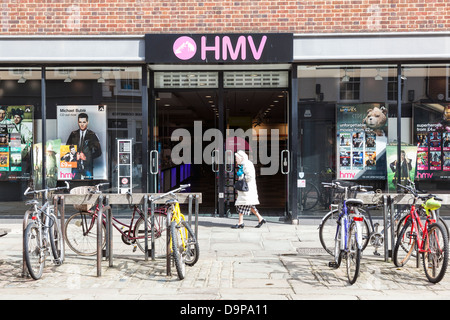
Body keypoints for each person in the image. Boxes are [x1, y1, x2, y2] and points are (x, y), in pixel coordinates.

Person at [232, 150, 266, 229]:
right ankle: (260, 219)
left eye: (236, 158)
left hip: (247, 190)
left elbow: (249, 176)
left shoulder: (246, 164)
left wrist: (241, 177)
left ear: (241, 158)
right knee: (247, 205)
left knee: (241, 204)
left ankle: (241, 223)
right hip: (246, 190)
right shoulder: (244, 164)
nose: (236, 159)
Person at [66, 113, 102, 180]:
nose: (82, 124)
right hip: (75, 166)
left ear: (87, 122)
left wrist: (87, 157)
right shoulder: (73, 134)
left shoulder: (92, 135)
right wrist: (74, 156)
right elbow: (66, 149)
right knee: (75, 187)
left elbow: (99, 152)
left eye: (84, 122)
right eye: (80, 122)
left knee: (89, 187)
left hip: (87, 166)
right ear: (78, 122)